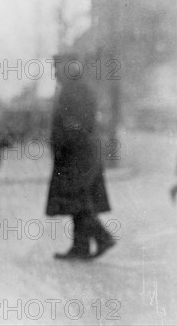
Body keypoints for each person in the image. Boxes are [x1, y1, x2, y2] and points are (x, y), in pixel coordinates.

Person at [46, 53, 115, 261]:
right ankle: (80, 247)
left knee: (78, 201)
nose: (55, 72)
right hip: (78, 154)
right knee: (77, 200)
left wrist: (61, 143)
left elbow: (77, 124)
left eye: (57, 68)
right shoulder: (75, 88)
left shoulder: (75, 90)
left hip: (78, 155)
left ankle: (102, 237)